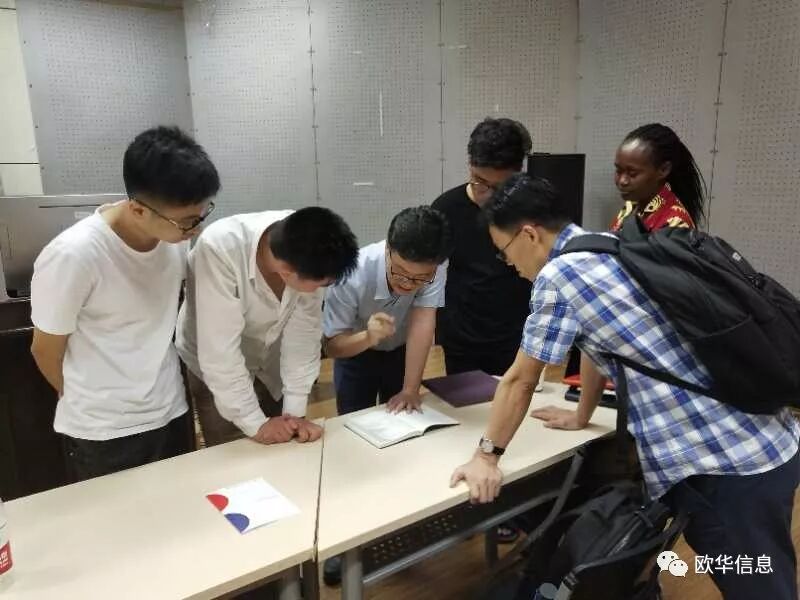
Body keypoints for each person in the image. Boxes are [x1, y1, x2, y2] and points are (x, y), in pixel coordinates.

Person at [450, 174, 800, 600]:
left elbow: (521, 379)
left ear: (528, 234)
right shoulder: (607, 244)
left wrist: (486, 457)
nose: (509, 265)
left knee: (759, 587)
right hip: (759, 436)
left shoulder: (560, 276)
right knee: (755, 570)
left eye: (503, 251)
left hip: (722, 465)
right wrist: (582, 414)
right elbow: (601, 344)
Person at [30, 126, 220, 481]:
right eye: (186, 222)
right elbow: (44, 349)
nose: (194, 230)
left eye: (201, 216)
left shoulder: (173, 238)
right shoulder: (74, 256)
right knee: (116, 516)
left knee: (181, 505)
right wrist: (90, 401)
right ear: (137, 210)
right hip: (104, 430)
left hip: (170, 409)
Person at [176, 207, 359, 447]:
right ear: (287, 271)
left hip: (270, 360)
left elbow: (303, 337)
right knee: (232, 448)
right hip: (214, 366)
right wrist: (255, 424)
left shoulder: (310, 250)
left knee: (280, 440)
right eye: (319, 284)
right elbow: (219, 353)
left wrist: (294, 415)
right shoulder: (219, 249)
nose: (319, 291)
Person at [568, 122, 706, 431]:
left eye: (632, 173)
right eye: (618, 171)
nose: (622, 180)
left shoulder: (674, 223)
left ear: (663, 170)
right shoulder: (631, 208)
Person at [323, 205, 452, 415]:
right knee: (353, 417)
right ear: (387, 249)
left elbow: (423, 321)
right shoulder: (351, 274)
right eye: (399, 271)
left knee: (403, 415)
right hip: (356, 352)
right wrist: (368, 337)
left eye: (420, 278)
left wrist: (410, 390)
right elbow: (332, 346)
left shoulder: (436, 266)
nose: (408, 283)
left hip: (402, 350)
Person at [432, 117, 534, 378]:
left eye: (500, 187)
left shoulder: (533, 207)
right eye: (480, 181)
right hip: (462, 336)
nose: (488, 195)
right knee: (466, 402)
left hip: (517, 334)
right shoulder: (446, 208)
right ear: (470, 164)